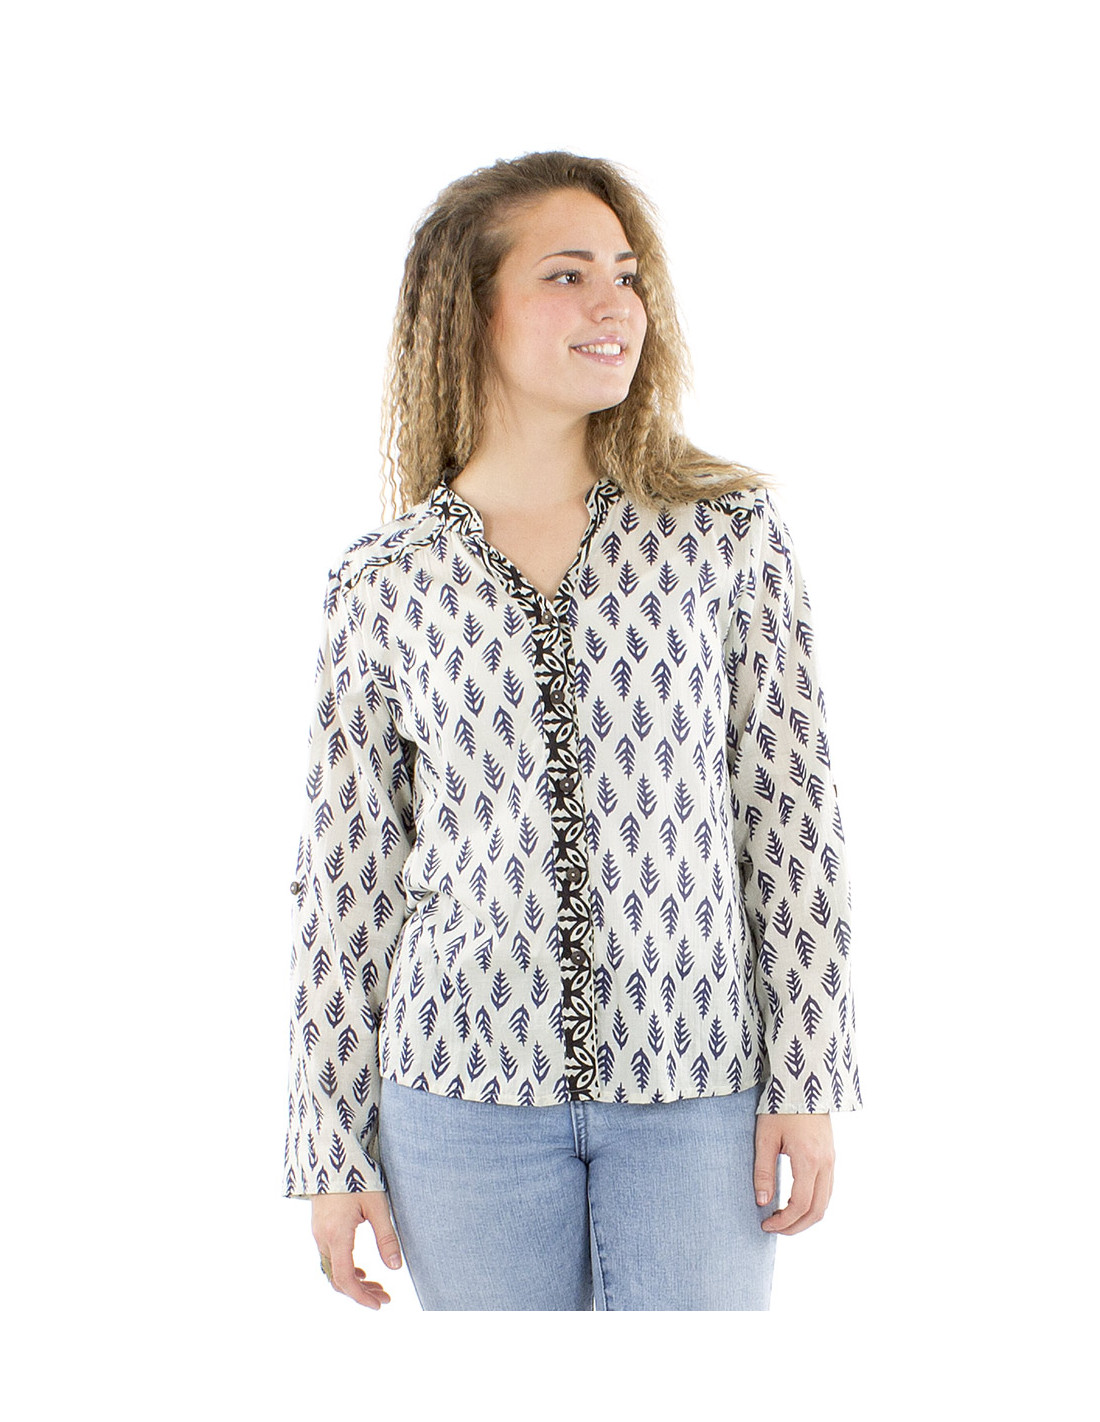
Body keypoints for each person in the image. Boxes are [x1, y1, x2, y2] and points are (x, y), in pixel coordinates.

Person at [282, 150, 863, 1311]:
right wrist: (328, 1148)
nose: (615, 305)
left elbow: (790, 817)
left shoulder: (724, 535)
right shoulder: (384, 582)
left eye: (626, 276)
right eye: (566, 274)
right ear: (470, 311)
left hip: (697, 1086)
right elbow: (346, 880)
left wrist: (808, 1076)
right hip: (456, 1101)